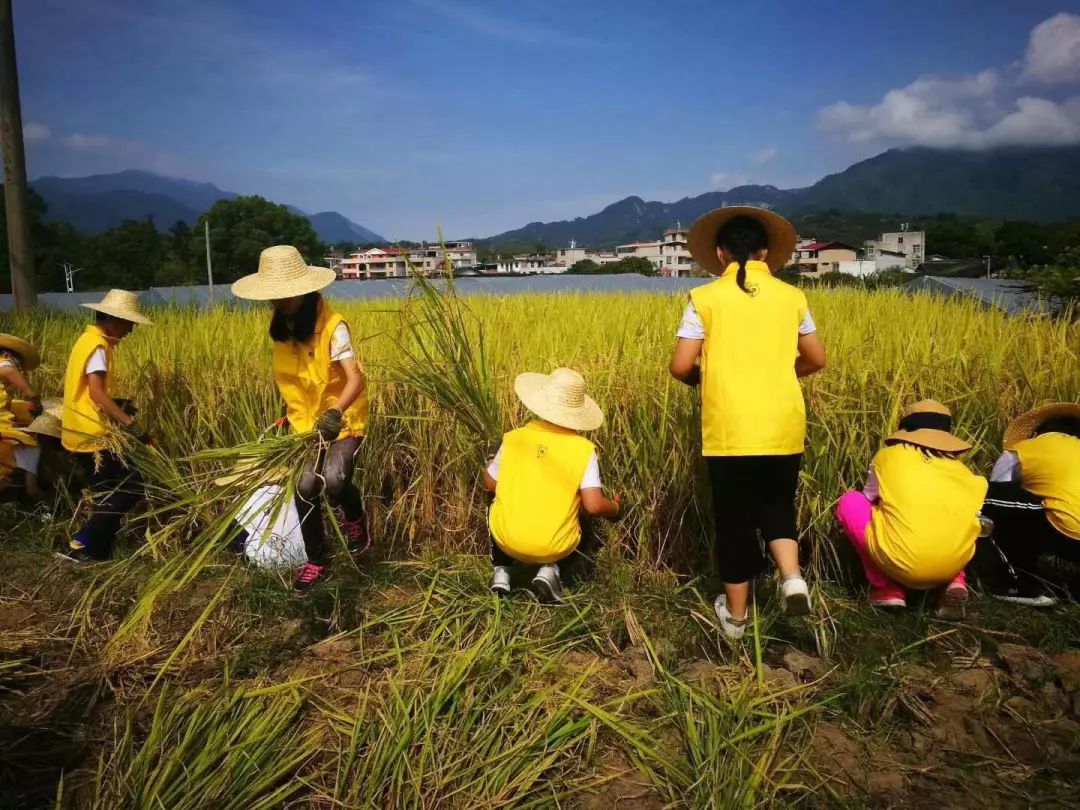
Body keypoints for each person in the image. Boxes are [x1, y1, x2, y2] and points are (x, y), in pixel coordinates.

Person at [669, 207, 826, 640]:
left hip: (730, 429)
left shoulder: (705, 299)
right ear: (764, 252)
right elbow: (816, 359)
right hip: (783, 424)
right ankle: (792, 576)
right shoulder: (792, 297)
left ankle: (736, 621)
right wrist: (777, 374)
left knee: (735, 521)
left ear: (720, 254)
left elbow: (680, 364)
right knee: (777, 506)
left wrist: (706, 378)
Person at [230, 245, 369, 595]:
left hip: (344, 420)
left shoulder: (334, 327)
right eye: (274, 297)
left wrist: (335, 412)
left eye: (286, 296)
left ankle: (356, 521)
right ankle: (317, 559)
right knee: (305, 488)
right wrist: (285, 418)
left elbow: (356, 379)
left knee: (335, 480)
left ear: (305, 291)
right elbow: (294, 382)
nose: (279, 302)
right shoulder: (281, 326)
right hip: (304, 426)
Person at [835, 400, 989, 619]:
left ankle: (887, 588)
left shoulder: (888, 456)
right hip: (952, 562)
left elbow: (869, 497)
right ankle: (955, 582)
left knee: (851, 501)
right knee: (957, 519)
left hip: (901, 558)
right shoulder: (963, 471)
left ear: (906, 428)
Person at [483, 367, 621, 603]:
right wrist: (616, 509)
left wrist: (489, 464)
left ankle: (502, 571)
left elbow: (490, 484)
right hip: (556, 546)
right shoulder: (583, 450)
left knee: (494, 501)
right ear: (578, 412)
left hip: (506, 540)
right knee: (582, 510)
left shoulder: (514, 438)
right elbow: (595, 505)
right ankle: (553, 569)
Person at [59, 290, 153, 562]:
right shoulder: (98, 346)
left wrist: (118, 404)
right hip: (94, 432)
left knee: (106, 493)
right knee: (131, 488)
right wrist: (130, 424)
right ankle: (81, 542)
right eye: (129, 323)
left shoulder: (86, 340)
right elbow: (97, 393)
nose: (131, 329)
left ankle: (98, 554)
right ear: (112, 319)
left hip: (78, 427)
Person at [979, 403, 1080, 607]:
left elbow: (998, 494)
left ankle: (1019, 584)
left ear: (1038, 432)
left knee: (988, 494)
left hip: (1065, 531)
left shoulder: (1022, 451)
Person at [0, 333, 44, 483]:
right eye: (18, 364)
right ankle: (30, 485)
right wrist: (33, 396)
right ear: (6, 354)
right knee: (29, 442)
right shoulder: (4, 362)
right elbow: (8, 370)